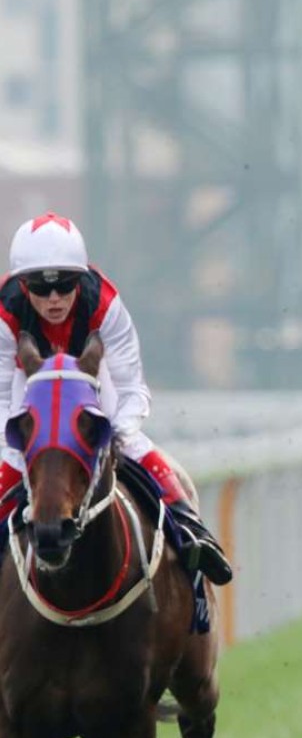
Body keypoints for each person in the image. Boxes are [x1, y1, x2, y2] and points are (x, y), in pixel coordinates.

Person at [0, 213, 232, 585]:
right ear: (22, 286)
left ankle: (191, 531)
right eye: (41, 289)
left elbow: (131, 389)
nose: (55, 298)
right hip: (28, 387)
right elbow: (0, 395)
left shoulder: (105, 305)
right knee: (12, 456)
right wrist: (19, 444)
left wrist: (116, 432)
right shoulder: (4, 312)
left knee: (131, 441)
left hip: (92, 383)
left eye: (66, 284)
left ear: (81, 278)